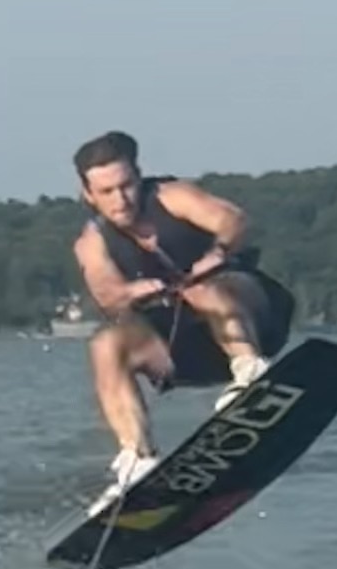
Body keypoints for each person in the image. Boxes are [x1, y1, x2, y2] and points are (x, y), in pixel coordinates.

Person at [70, 131, 297, 497]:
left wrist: (217, 255)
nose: (122, 199)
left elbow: (233, 220)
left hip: (254, 317)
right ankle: (138, 458)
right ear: (88, 195)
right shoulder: (92, 243)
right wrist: (133, 291)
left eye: (127, 185)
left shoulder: (171, 197)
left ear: (138, 177)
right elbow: (107, 293)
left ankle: (249, 372)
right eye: (107, 192)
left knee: (200, 289)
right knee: (106, 344)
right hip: (189, 349)